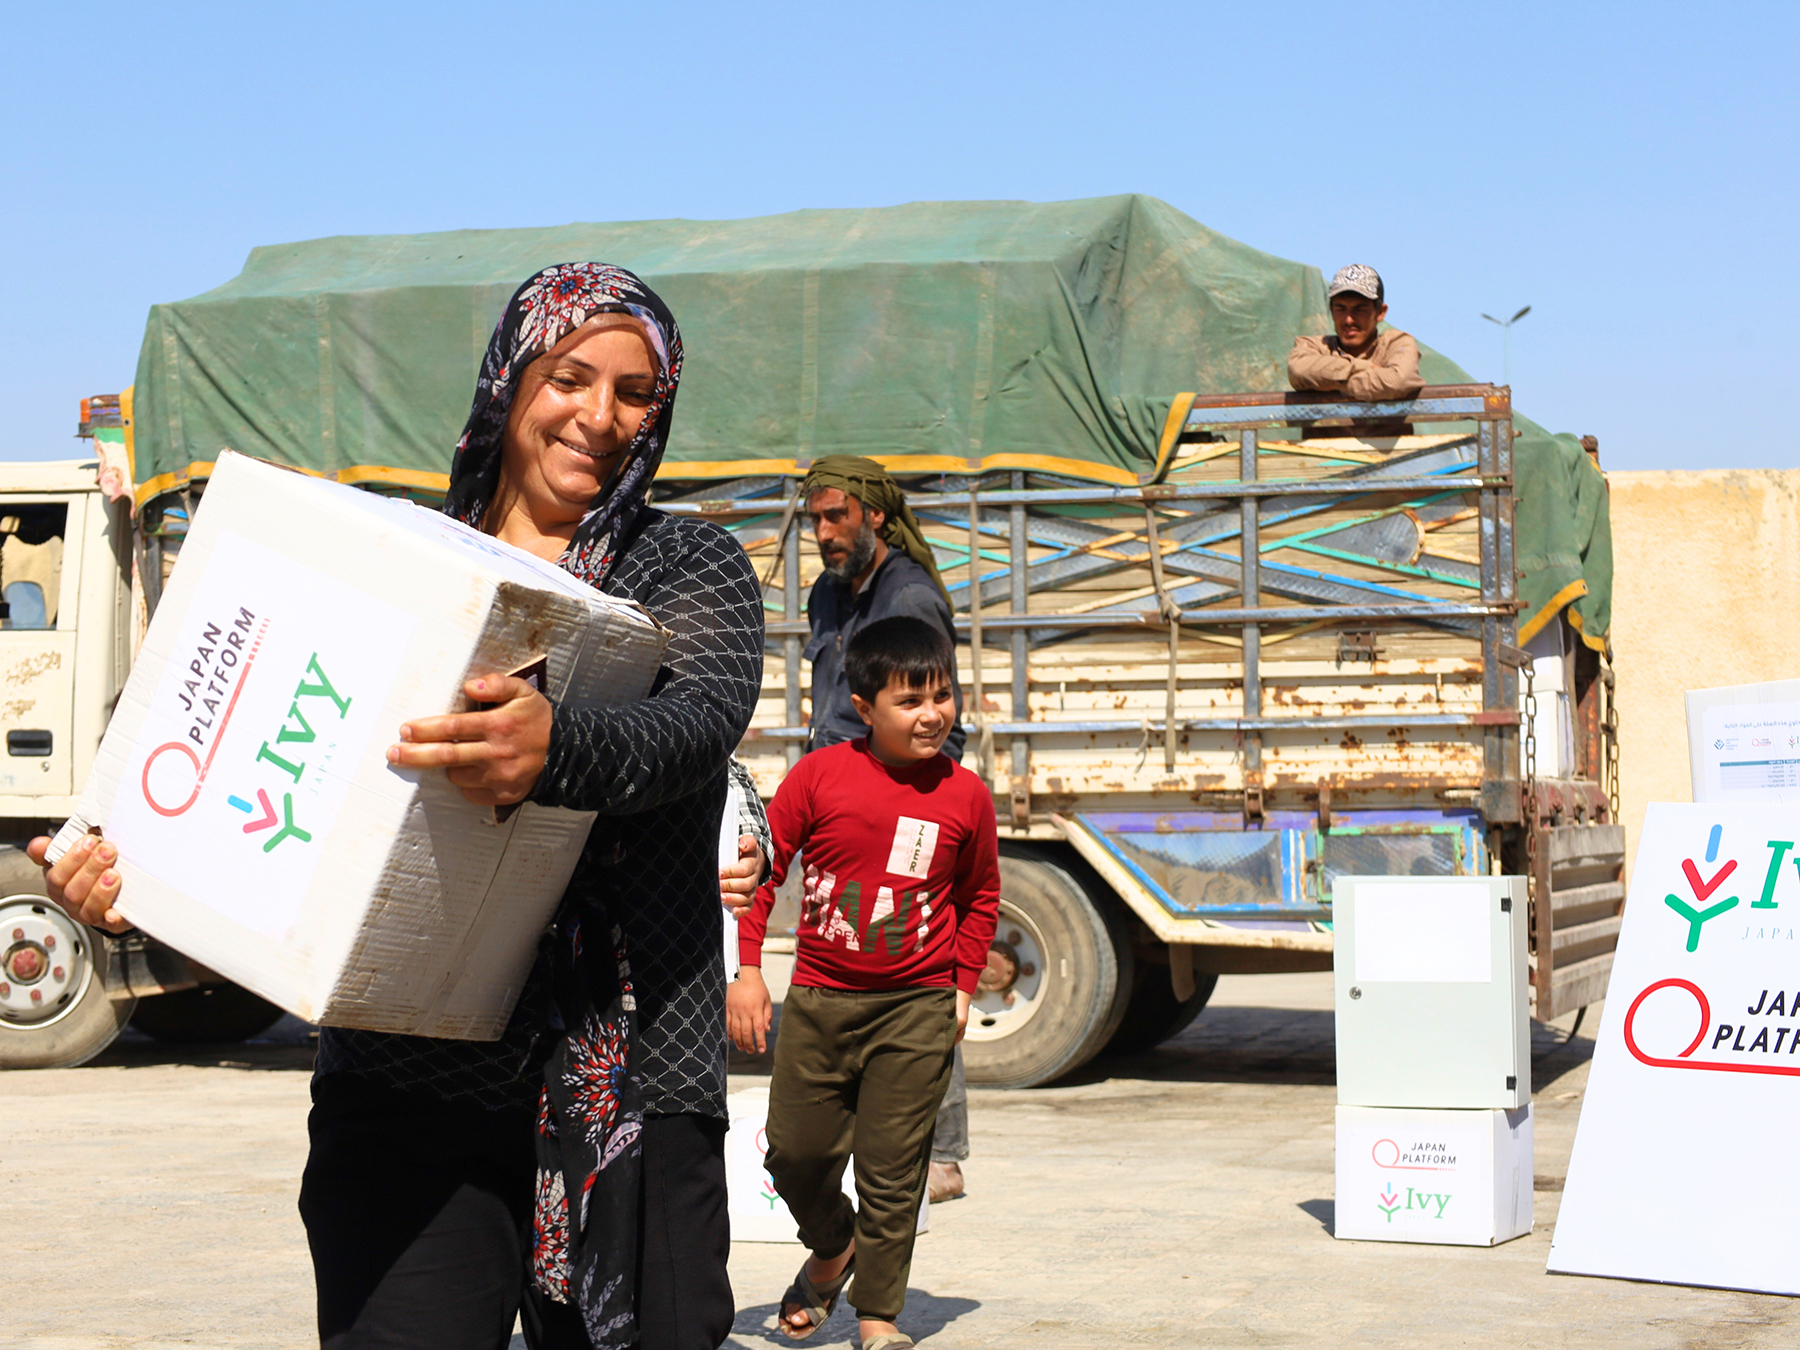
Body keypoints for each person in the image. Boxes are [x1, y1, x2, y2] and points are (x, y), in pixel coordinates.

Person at [36, 263, 765, 1350]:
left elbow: (695, 727)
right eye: (571, 377)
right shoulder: (390, 560)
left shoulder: (681, 561)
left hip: (628, 1087)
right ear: (512, 375)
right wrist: (140, 883)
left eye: (636, 392)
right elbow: (277, 792)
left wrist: (555, 745)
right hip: (407, 1080)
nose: (601, 418)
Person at [726, 616, 1000, 1350]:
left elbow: (980, 898)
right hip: (818, 1003)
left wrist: (962, 988)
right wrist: (748, 970)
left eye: (943, 695)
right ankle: (833, 1247)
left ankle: (879, 1317)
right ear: (862, 705)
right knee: (793, 1152)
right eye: (911, 700)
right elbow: (760, 872)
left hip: (916, 1010)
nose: (933, 714)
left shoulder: (966, 795)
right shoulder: (819, 776)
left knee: (893, 1172)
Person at [794, 455, 971, 1203]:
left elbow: (940, 724)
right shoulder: (828, 598)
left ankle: (943, 1153)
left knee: (916, 972)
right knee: (848, 965)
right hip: (841, 813)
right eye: (815, 519)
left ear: (874, 514)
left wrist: (913, 812)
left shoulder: (909, 599)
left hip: (902, 811)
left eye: (837, 515)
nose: (825, 532)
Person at [1287, 264, 1425, 402]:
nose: (1348, 319)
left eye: (1360, 309)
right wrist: (1366, 368)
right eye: (1341, 309)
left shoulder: (1396, 343)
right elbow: (1298, 370)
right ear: (1331, 310)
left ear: (1380, 312)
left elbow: (1397, 382)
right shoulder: (1315, 346)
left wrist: (1334, 383)